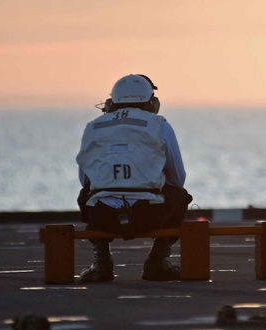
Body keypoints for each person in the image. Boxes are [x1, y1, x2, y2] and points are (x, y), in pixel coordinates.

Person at [75, 74, 192, 282]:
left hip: (102, 216)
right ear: (153, 103)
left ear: (110, 103)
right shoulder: (159, 125)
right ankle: (157, 260)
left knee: (86, 194)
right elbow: (177, 179)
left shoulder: (93, 127)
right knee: (181, 196)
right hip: (149, 213)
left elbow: (85, 179)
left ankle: (101, 261)